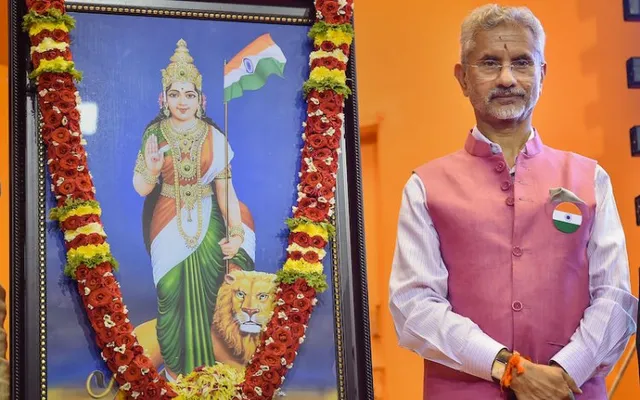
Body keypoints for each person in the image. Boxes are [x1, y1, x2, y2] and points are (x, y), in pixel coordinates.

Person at [388, 4, 638, 400]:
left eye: (521, 62)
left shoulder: (590, 179)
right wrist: (510, 370)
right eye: (489, 63)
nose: (507, 78)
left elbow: (615, 297)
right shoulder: (426, 186)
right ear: (463, 79)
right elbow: (414, 306)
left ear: (542, 74)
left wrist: (562, 374)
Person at [132, 39, 256, 380]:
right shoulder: (154, 133)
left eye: (188, 95)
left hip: (208, 221)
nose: (182, 102)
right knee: (170, 292)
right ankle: (176, 377)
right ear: (163, 98)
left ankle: (213, 377)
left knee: (211, 298)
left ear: (200, 99)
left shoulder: (214, 136)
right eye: (175, 94)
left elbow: (225, 191)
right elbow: (140, 187)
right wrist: (153, 171)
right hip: (166, 223)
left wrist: (236, 232)